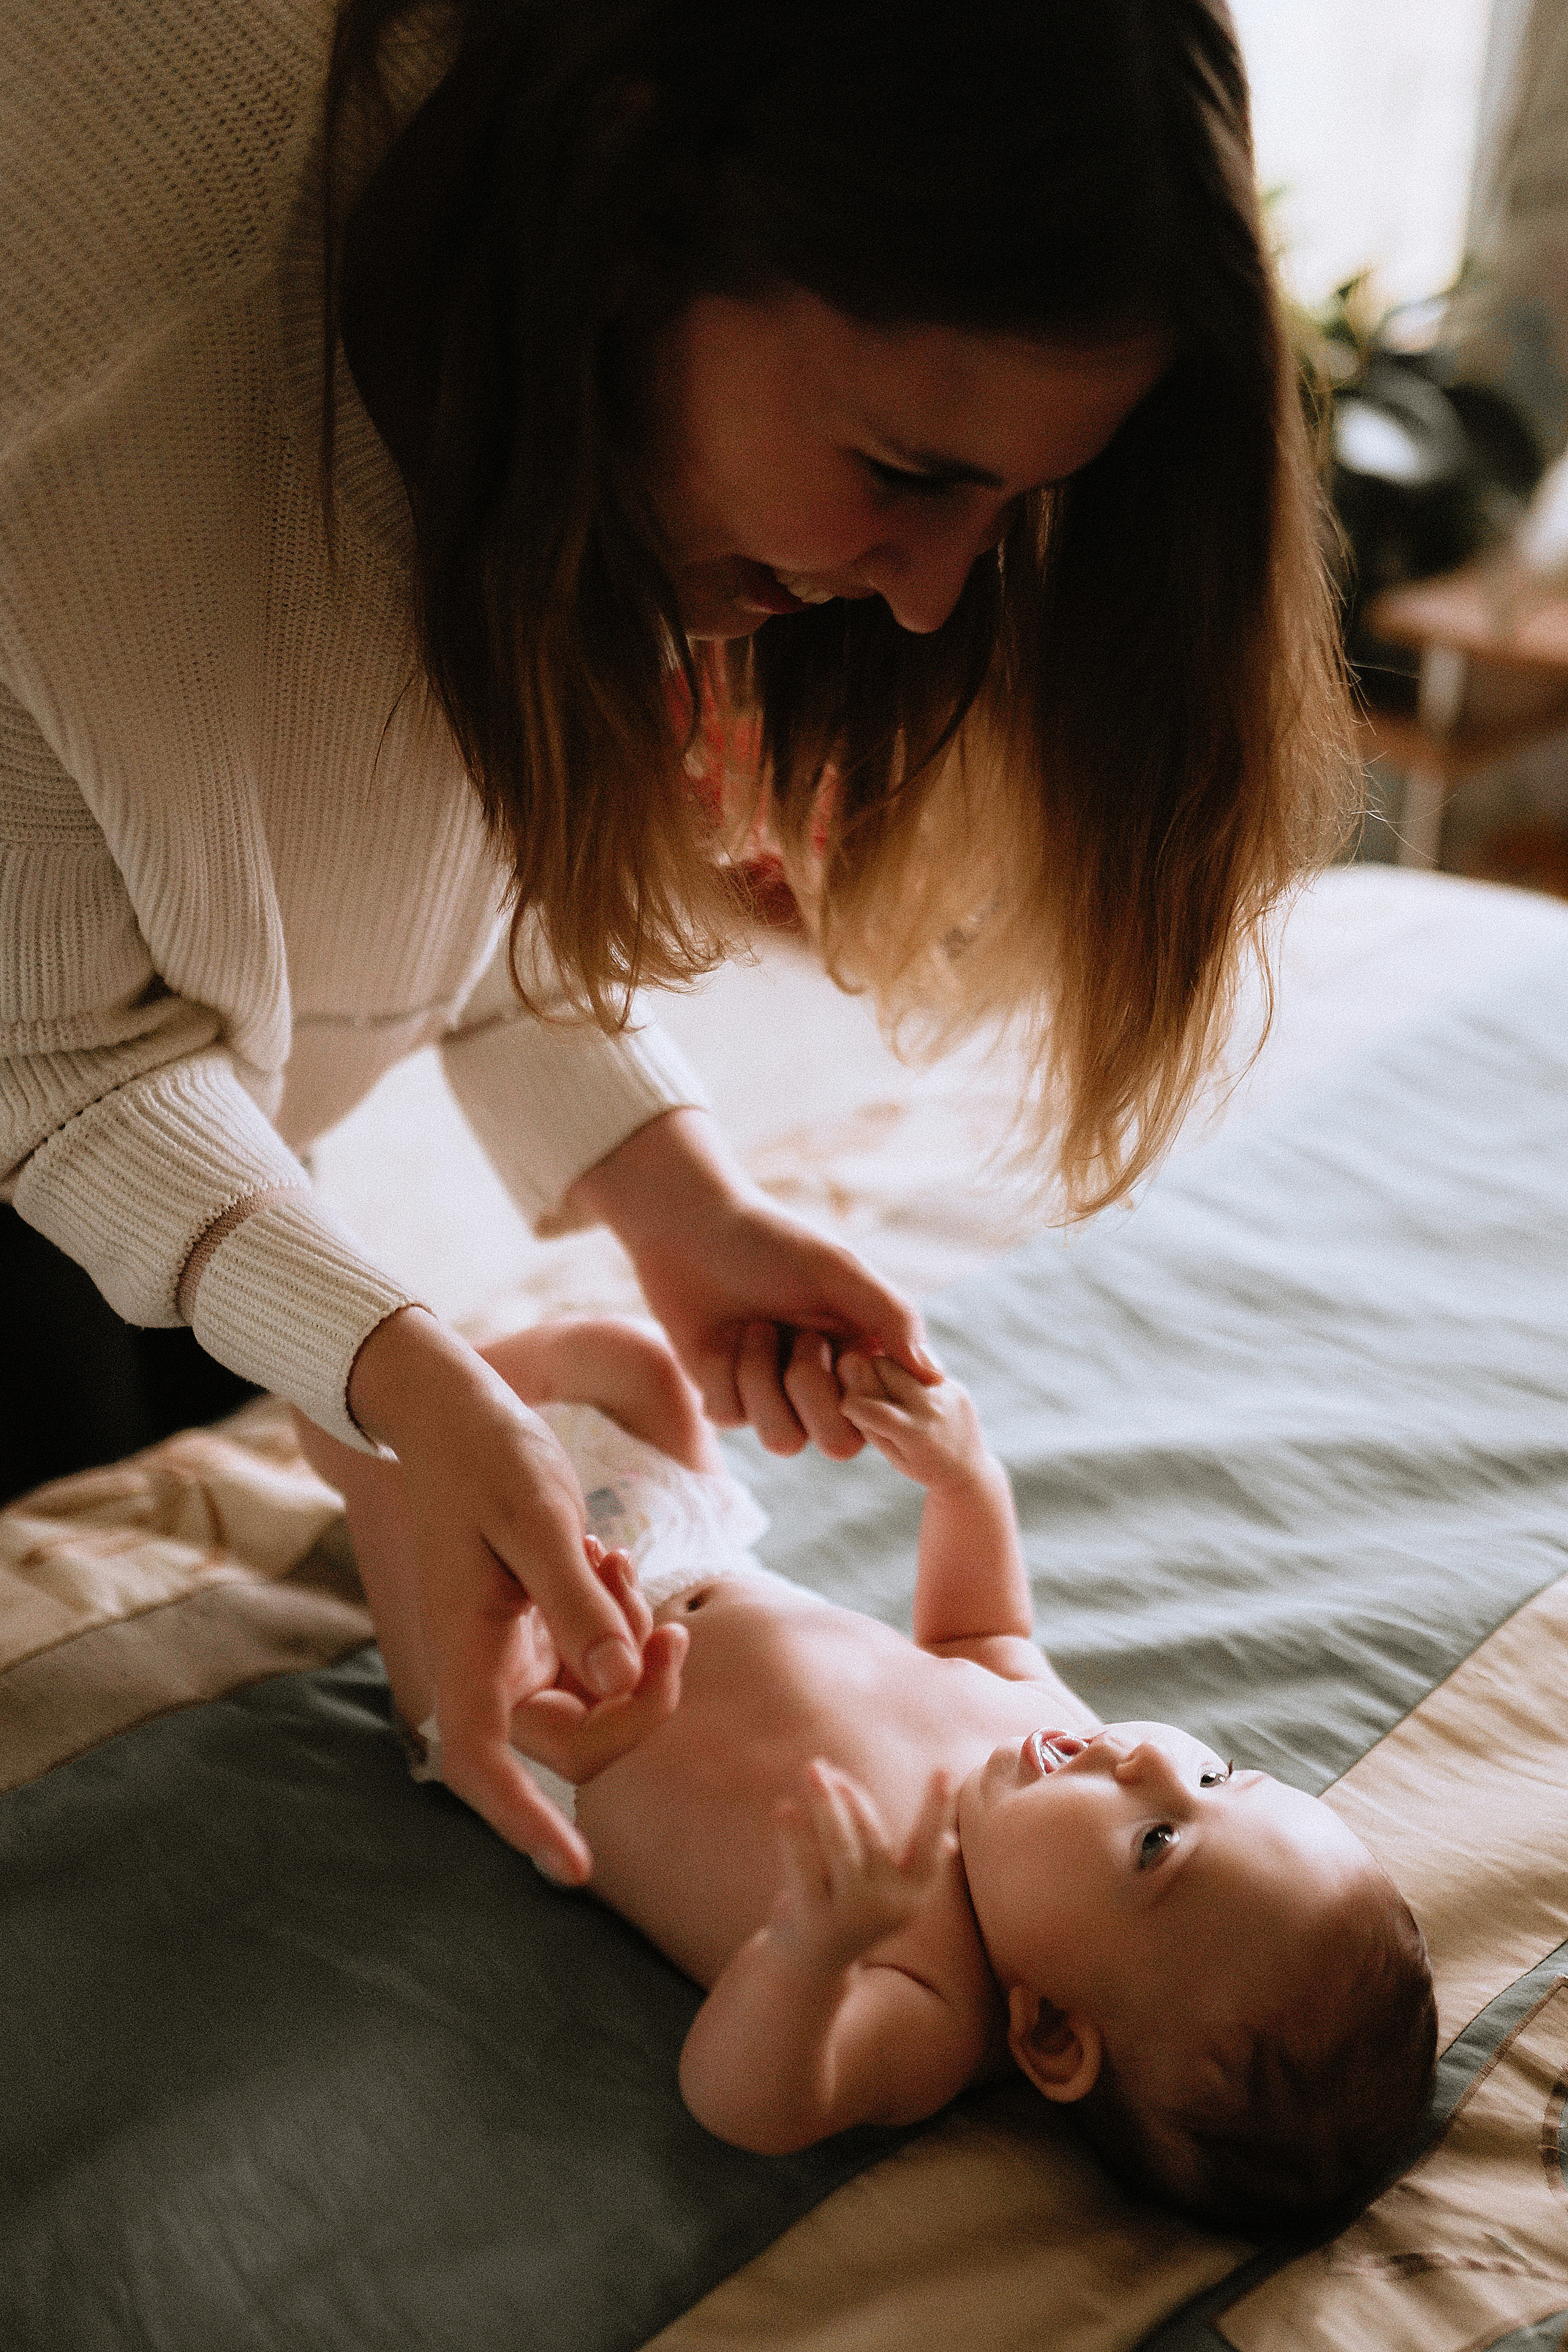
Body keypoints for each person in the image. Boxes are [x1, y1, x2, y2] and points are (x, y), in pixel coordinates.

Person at [1, 0, 1355, 1872]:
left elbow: (414, 855)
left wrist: (675, 1196)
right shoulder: (85, 393)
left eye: (1014, 509)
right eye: (905, 472)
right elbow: (64, 1053)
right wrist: (394, 1363)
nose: (930, 597)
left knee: (207, 1432)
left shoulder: (556, 354)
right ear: (629, 209)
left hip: (180, 1099)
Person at [296, 1318, 1438, 2233]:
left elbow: (742, 2103)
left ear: (1049, 2034)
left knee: (378, 1454)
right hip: (684, 1550)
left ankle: (351, 1377)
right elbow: (981, 1634)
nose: (1149, 1764)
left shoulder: (929, 2006)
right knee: (623, 1365)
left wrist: (811, 1950)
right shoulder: (1058, 1756)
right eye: (1217, 1772)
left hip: (532, 1709)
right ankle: (444, 1379)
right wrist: (966, 1484)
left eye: (1158, 1845)